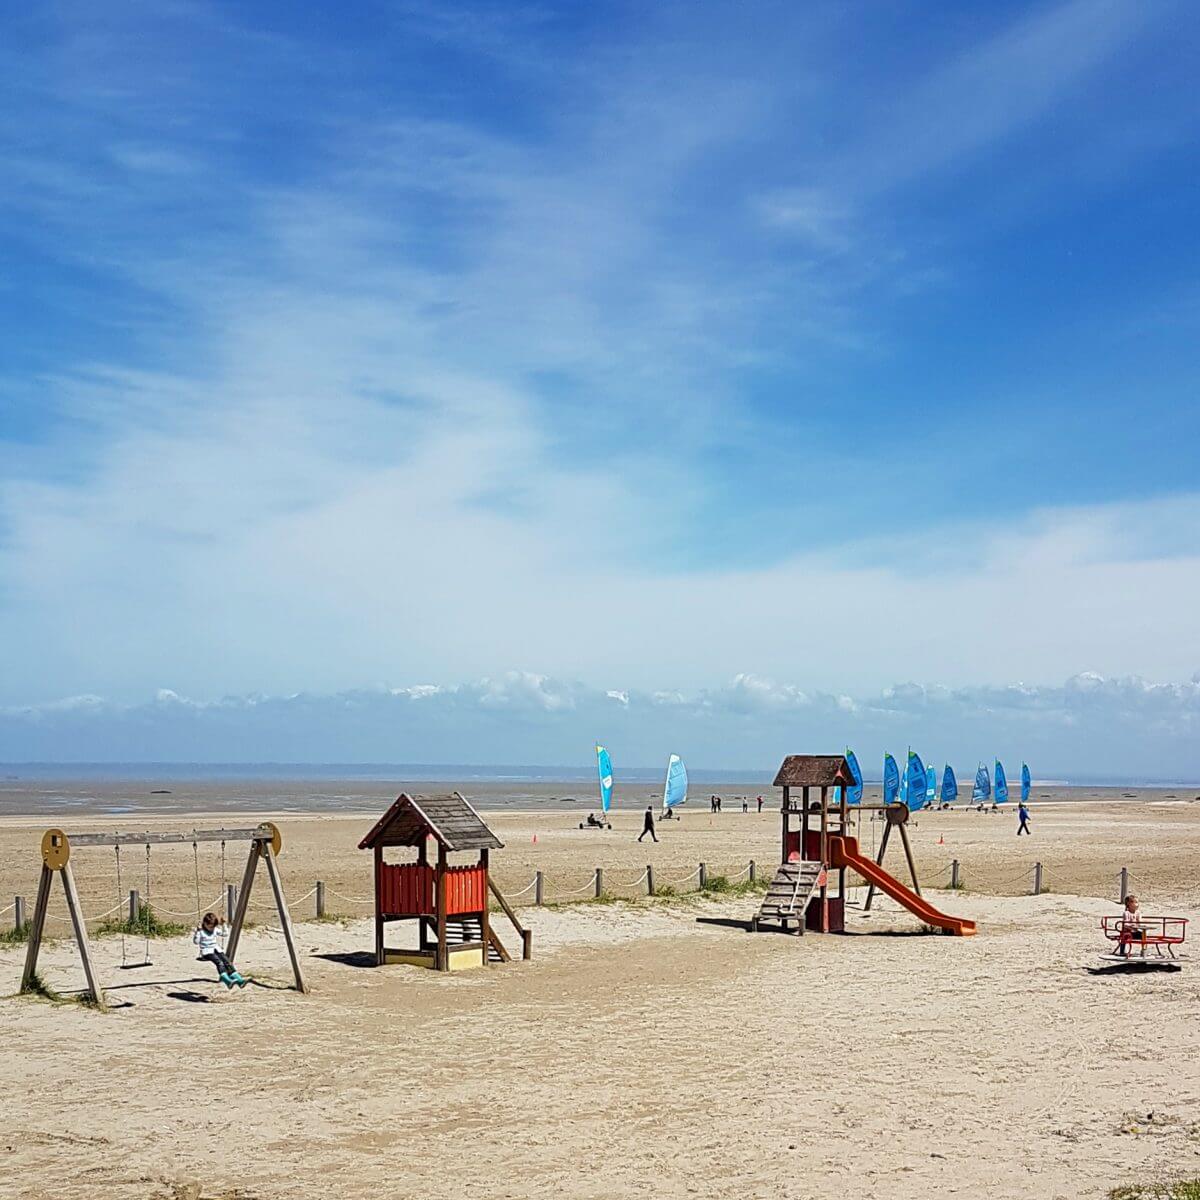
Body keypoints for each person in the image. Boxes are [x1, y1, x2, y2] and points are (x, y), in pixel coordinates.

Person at [194, 911, 246, 989]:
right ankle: (226, 979)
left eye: (213, 926)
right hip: (207, 952)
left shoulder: (215, 929)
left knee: (227, 962)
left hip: (216, 949)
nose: (211, 929)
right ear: (204, 923)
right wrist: (198, 931)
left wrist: (223, 924)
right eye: (210, 926)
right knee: (220, 962)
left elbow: (225, 934)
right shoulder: (201, 932)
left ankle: (238, 979)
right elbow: (196, 942)